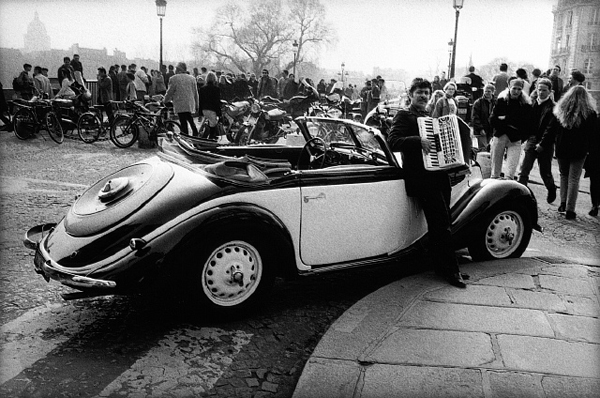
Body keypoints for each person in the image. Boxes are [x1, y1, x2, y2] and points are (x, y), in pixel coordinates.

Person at [387, 77, 468, 288]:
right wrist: (418, 141)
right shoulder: (404, 115)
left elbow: (437, 148)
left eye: (426, 92)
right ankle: (451, 271)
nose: (423, 96)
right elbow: (392, 141)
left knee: (443, 223)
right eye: (419, 92)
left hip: (437, 176)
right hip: (421, 178)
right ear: (410, 95)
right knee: (440, 225)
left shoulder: (428, 117)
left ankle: (443, 266)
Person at [550, 85, 598, 220]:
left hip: (562, 148)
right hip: (580, 149)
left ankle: (562, 203)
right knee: (574, 179)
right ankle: (570, 209)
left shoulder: (560, 109)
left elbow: (554, 130)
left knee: (564, 175)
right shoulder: (590, 113)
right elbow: (592, 135)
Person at [517, 78, 557, 203]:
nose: (541, 92)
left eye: (544, 90)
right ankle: (520, 195)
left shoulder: (553, 107)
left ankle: (551, 188)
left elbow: (551, 129)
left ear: (550, 91)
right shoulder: (532, 104)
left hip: (545, 142)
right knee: (524, 168)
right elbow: (526, 123)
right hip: (532, 138)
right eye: (539, 89)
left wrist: (543, 144)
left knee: (544, 171)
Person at [489, 78, 532, 180]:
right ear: (509, 88)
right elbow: (492, 120)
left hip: (515, 138)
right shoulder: (501, 101)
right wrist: (511, 122)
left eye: (519, 89)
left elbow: (527, 125)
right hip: (500, 136)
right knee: (495, 170)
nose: (516, 91)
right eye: (514, 88)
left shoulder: (525, 105)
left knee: (510, 171)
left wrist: (505, 119)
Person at [164, 62, 200, 137]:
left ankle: (185, 135)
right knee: (189, 118)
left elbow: (170, 92)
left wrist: (165, 100)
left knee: (183, 120)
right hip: (189, 103)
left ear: (178, 69)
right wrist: (197, 104)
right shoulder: (192, 78)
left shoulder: (174, 78)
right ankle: (195, 133)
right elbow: (195, 93)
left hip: (179, 102)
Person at [470, 83, 496, 151]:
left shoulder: (495, 102)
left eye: (489, 91)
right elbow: (475, 117)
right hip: (481, 130)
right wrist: (480, 128)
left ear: (493, 92)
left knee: (491, 149)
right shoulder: (478, 103)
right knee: (483, 149)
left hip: (491, 130)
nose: (487, 93)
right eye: (486, 91)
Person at [583, 113, 600, 216]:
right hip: (595, 156)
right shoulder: (596, 119)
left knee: (594, 181)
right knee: (595, 180)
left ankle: (595, 204)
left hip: (595, 156)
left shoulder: (597, 119)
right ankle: (595, 204)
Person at [198, 71, 222, 139]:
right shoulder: (216, 89)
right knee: (213, 126)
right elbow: (217, 102)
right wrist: (219, 113)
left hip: (204, 109)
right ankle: (211, 139)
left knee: (210, 123)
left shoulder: (202, 89)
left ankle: (206, 136)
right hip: (212, 109)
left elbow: (201, 101)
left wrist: (200, 113)